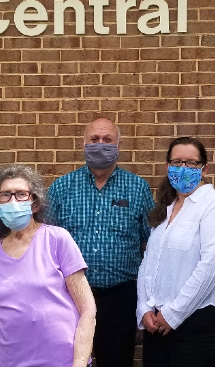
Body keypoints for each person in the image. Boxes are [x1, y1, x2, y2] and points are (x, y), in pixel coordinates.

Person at [46, 118, 155, 367]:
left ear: (119, 145)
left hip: (120, 297)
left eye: (107, 140)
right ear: (83, 144)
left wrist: (146, 301)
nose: (100, 145)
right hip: (70, 297)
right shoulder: (61, 188)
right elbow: (45, 245)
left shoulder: (137, 188)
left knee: (116, 361)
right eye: (94, 140)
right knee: (68, 360)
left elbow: (151, 246)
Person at [136, 136, 215, 367]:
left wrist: (173, 314)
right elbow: (148, 264)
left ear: (204, 169)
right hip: (158, 328)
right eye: (177, 162)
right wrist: (144, 308)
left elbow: (211, 266)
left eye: (191, 163)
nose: (183, 168)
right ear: (167, 167)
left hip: (202, 326)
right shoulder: (167, 210)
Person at [0, 165, 96, 367]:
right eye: (5, 195)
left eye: (21, 194)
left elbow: (87, 310)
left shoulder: (57, 239)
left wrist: (78, 363)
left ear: (35, 203)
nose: (13, 201)